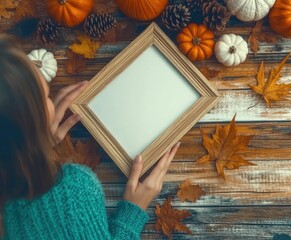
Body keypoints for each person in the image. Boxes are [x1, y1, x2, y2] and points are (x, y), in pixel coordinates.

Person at [0, 34, 180, 239]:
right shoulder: (71, 192)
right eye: (46, 97)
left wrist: (34, 144)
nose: (52, 102)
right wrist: (132, 212)